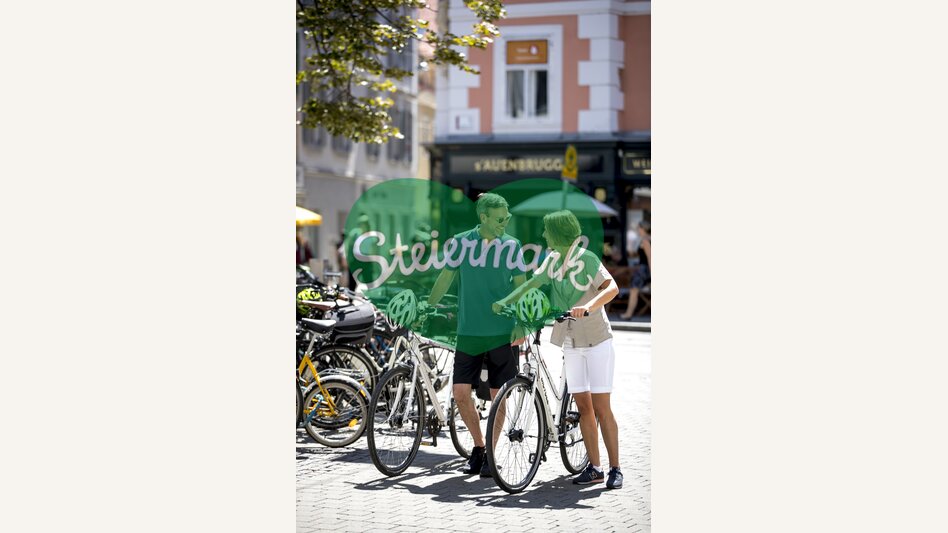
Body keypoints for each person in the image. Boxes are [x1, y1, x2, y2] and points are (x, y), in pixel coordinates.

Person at [492, 210, 624, 489]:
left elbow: (611, 287)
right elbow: (532, 285)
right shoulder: (552, 261)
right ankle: (596, 468)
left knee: (602, 408)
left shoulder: (586, 259)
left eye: (546, 231)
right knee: (584, 407)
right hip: (572, 341)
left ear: (559, 233)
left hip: (598, 340)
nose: (542, 236)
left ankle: (615, 468)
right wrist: (507, 301)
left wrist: (587, 306)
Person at [426, 193, 528, 478]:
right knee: (460, 394)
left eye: (507, 218)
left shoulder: (512, 245)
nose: (505, 223)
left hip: (500, 333)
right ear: (483, 217)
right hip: (468, 331)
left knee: (498, 397)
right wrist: (427, 307)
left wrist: (521, 323)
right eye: (499, 219)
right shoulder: (461, 242)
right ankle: (479, 446)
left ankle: (491, 456)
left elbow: (521, 286)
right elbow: (446, 276)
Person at [620, 220, 651, 319]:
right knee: (634, 290)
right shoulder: (646, 239)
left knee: (633, 290)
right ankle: (628, 313)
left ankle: (628, 314)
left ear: (643, 228)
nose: (637, 229)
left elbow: (650, 257)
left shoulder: (645, 240)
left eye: (638, 227)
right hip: (644, 268)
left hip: (644, 269)